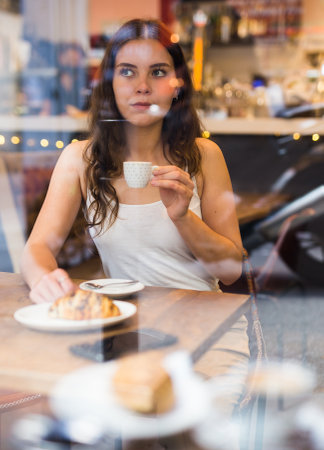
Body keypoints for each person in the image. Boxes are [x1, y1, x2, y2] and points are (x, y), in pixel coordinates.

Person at [20, 18, 243, 304]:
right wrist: (45, 280)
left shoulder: (204, 155)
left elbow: (230, 272)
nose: (142, 86)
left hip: (206, 323)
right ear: (110, 83)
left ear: (177, 85)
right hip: (125, 325)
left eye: (158, 72)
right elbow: (37, 249)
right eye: (127, 72)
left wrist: (183, 218)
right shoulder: (80, 160)